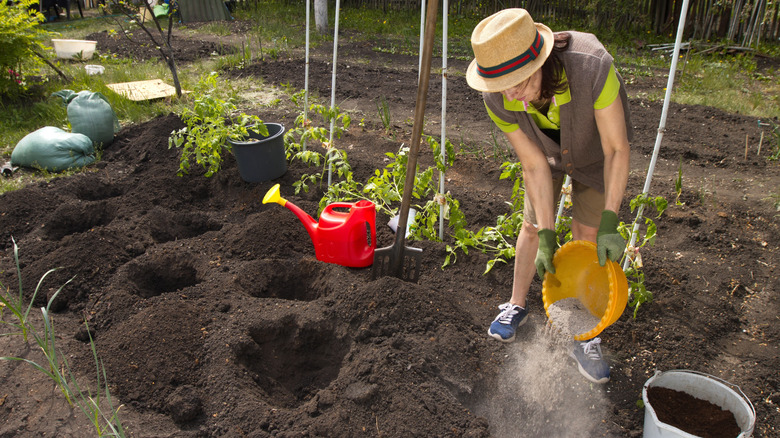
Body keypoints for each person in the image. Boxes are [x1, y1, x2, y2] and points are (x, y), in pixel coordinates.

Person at [465, 8, 632, 384]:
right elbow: (534, 165)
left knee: (587, 238)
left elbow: (616, 148)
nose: (511, 95)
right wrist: (545, 233)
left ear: (540, 62)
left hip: (594, 154)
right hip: (546, 154)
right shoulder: (498, 96)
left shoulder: (591, 67)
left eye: (518, 83)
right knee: (531, 226)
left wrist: (610, 220)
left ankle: (583, 333)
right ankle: (516, 304)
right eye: (501, 85)